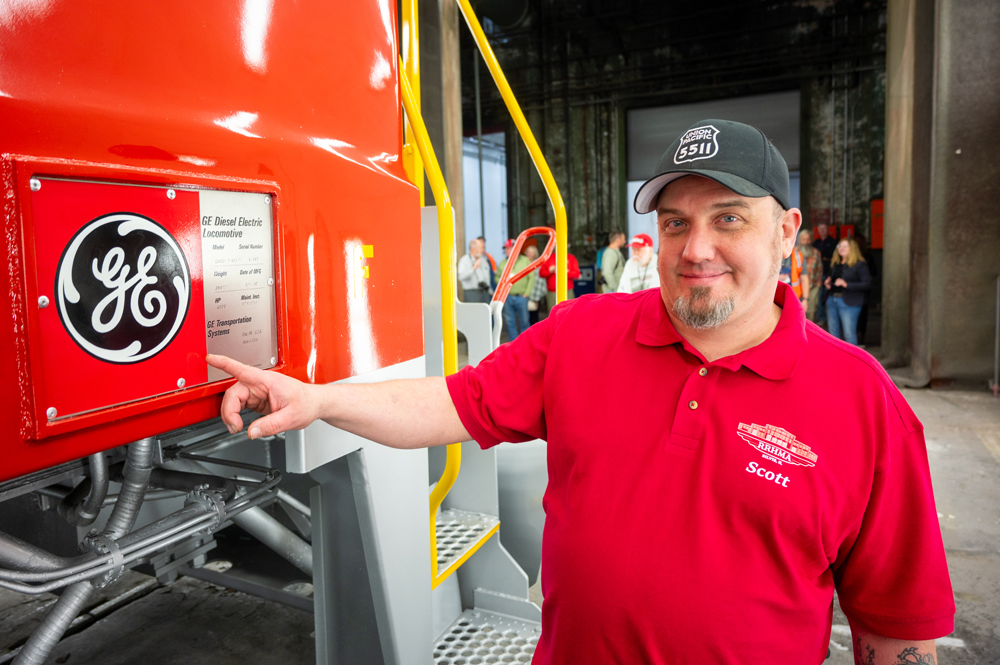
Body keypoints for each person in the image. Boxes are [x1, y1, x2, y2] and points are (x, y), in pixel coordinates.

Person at [207, 118, 952, 664]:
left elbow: (897, 630)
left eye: (729, 219)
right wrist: (323, 399)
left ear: (787, 232)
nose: (696, 248)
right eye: (674, 223)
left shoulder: (861, 401)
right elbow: (450, 404)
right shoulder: (582, 335)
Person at [824, 236, 871, 346]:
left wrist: (846, 284)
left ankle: (852, 362)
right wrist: (828, 282)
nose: (841, 248)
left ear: (852, 248)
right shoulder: (836, 263)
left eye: (845, 246)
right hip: (832, 299)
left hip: (849, 302)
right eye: (840, 246)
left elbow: (867, 284)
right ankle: (836, 361)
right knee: (833, 334)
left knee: (849, 334)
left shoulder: (859, 264)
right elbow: (832, 278)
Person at [495, 238, 535, 341]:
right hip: (507, 297)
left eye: (509, 248)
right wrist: (503, 280)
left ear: (516, 249)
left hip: (521, 296)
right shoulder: (503, 263)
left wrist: (527, 293)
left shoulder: (525, 260)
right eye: (506, 249)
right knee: (510, 322)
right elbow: (496, 278)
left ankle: (526, 343)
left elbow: (531, 277)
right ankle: (513, 344)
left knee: (524, 321)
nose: (506, 251)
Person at [812, 222, 837, 325]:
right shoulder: (815, 243)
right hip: (816, 273)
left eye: (824, 229)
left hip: (828, 273)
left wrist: (823, 258)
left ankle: (830, 318)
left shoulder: (833, 242)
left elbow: (833, 256)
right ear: (817, 231)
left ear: (828, 230)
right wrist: (824, 258)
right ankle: (822, 318)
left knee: (827, 297)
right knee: (819, 296)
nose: (822, 231)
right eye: (820, 229)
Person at [777, 233, 809, 312]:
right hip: (774, 298)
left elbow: (804, 279)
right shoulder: (771, 255)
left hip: (794, 298)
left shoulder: (798, 257)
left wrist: (805, 299)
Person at [797, 229, 823, 321]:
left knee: (810, 312)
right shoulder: (794, 252)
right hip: (797, 288)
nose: (806, 242)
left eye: (808, 239)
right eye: (804, 239)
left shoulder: (816, 252)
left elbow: (819, 269)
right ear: (799, 240)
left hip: (812, 287)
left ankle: (807, 333)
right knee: (796, 312)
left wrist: (819, 284)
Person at [457, 238, 492, 303]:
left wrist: (490, 290)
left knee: (485, 312)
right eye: (481, 248)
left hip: (484, 293)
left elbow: (487, 276)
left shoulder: (483, 260)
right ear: (473, 250)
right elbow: (461, 277)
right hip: (472, 293)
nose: (483, 250)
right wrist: (473, 268)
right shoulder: (464, 260)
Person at [524, 244, 547, 325]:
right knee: (525, 316)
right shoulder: (523, 264)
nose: (529, 254)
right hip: (524, 294)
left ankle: (534, 335)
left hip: (535, 293)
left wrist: (538, 295)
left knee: (534, 316)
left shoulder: (538, 264)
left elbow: (540, 280)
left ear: (535, 254)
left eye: (531, 252)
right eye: (528, 252)